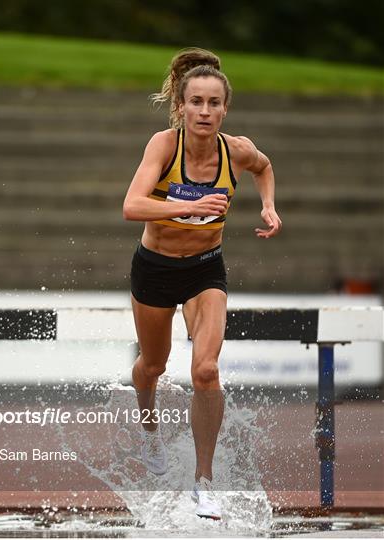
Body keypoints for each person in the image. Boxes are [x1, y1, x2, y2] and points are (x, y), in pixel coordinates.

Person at [123, 48, 282, 520]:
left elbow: (264, 168)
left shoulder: (236, 150)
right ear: (182, 105)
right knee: (152, 366)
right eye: (197, 102)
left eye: (214, 103)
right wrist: (184, 208)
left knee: (206, 371)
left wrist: (269, 207)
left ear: (225, 109)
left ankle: (204, 483)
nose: (205, 112)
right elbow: (132, 205)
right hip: (154, 267)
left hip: (204, 270)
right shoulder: (163, 146)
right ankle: (148, 429)